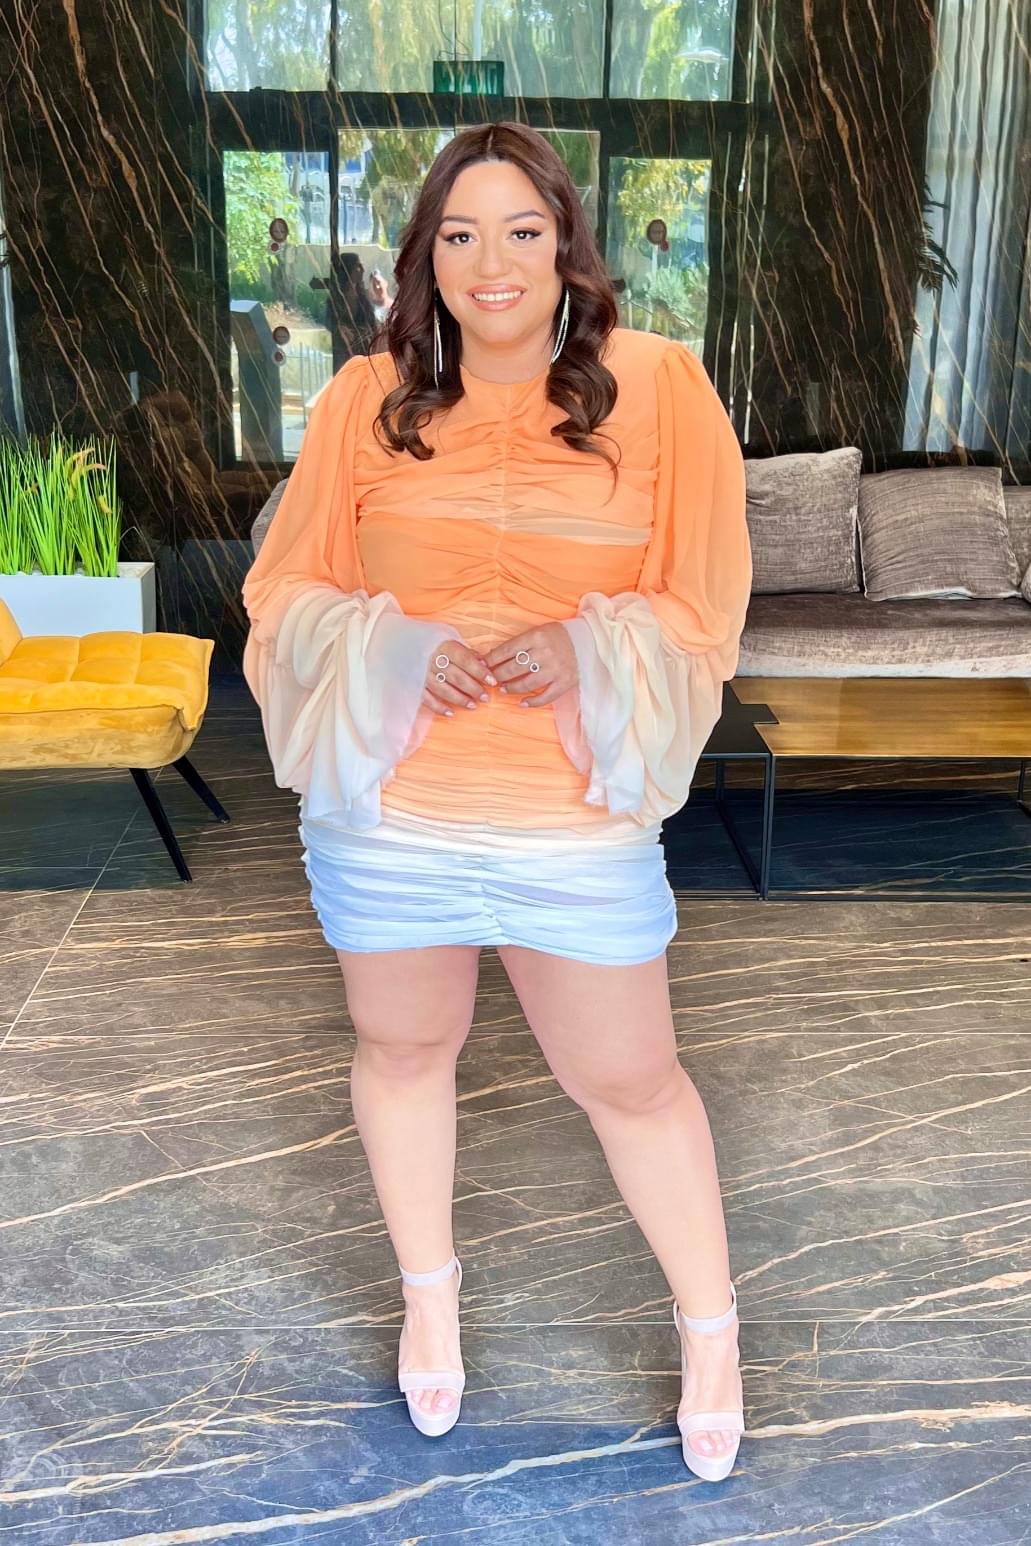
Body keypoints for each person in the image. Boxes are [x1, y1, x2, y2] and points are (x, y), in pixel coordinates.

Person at [241, 122, 752, 1482]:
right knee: (403, 1050)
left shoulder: (662, 386)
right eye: (460, 234)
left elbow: (705, 601)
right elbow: (284, 592)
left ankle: (712, 1332)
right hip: (391, 813)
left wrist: (589, 647)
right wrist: (397, 649)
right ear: (427, 258)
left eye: (522, 230)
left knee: (632, 1080)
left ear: (567, 244)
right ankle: (431, 1300)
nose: (492, 262)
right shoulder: (365, 398)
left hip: (571, 817)